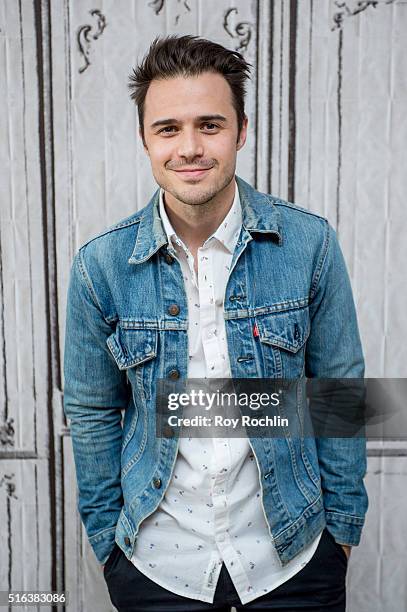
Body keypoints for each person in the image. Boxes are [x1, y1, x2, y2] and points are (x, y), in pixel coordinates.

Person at [63, 35, 368, 611]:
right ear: (144, 140)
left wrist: (342, 534)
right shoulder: (99, 267)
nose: (190, 148)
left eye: (210, 124)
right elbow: (91, 408)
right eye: (168, 128)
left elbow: (340, 393)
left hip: (295, 563)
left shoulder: (309, 246)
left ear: (241, 130)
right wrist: (108, 544)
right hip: (156, 570)